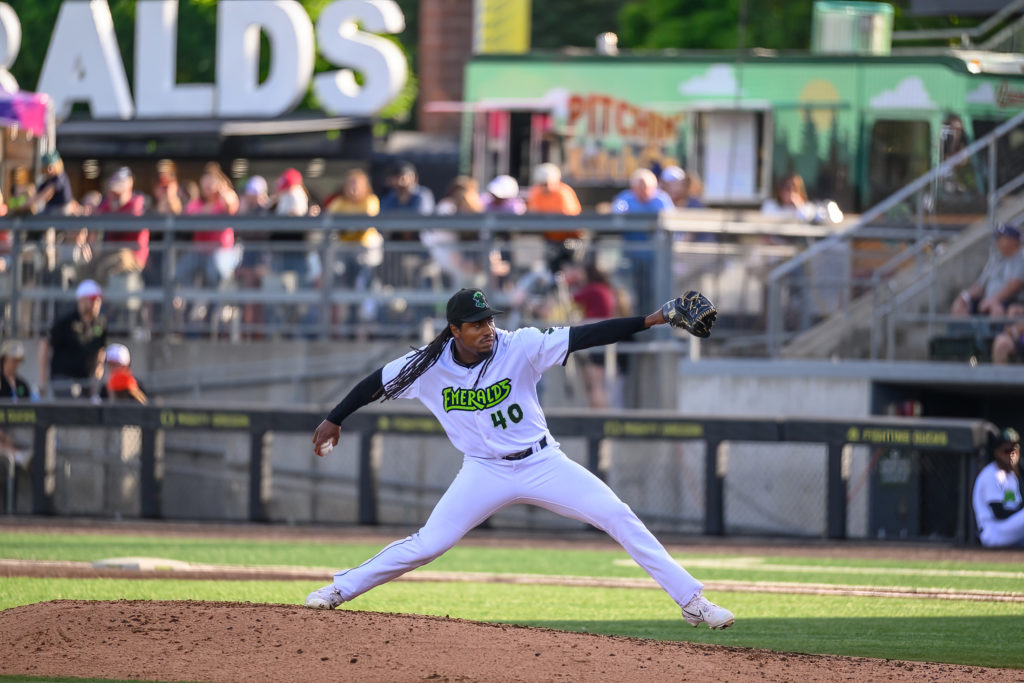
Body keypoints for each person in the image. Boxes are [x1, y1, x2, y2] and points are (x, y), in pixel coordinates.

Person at [305, 287, 735, 631]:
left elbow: (588, 335)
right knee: (428, 544)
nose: (487, 328)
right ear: (454, 330)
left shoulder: (521, 345)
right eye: (476, 324)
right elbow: (373, 383)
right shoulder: (427, 364)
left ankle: (693, 603)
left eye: (489, 319)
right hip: (483, 470)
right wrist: (334, 418)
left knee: (617, 515)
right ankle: (339, 589)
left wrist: (655, 318)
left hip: (542, 463)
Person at [37, 279, 107, 399]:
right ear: (81, 300)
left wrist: (97, 372)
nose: (96, 304)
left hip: (85, 381)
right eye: (92, 300)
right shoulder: (66, 322)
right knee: (70, 412)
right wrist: (42, 381)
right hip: (63, 380)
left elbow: (101, 350)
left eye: (98, 300)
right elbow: (45, 344)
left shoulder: (100, 323)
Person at [952, 222, 1024, 318]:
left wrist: (994, 300)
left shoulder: (1021, 256)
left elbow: (1015, 285)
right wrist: (964, 296)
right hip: (989, 300)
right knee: (961, 306)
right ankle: (964, 332)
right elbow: (980, 285)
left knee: (998, 309)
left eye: (1002, 237)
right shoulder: (996, 258)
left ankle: (998, 332)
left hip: (1010, 301)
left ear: (1013, 240)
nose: (998, 241)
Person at [93, 166, 149, 277]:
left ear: (130, 184)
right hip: (110, 252)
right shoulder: (109, 202)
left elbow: (124, 224)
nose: (116, 195)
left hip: (133, 256)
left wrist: (115, 204)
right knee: (86, 268)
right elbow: (96, 216)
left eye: (121, 181)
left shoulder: (136, 203)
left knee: (111, 263)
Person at [972, 427, 1024, 547]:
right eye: (1007, 451)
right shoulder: (991, 474)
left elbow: (1015, 506)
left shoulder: (1011, 476)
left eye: (1014, 451)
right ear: (997, 452)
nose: (1011, 455)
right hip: (993, 530)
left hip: (1007, 528)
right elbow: (999, 512)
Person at [32, 150, 76, 215]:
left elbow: (45, 195)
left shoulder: (59, 177)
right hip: (52, 209)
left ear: (57, 165)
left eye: (51, 167)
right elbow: (37, 191)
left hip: (60, 210)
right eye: (46, 167)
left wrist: (28, 203)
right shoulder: (49, 179)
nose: (49, 170)